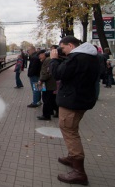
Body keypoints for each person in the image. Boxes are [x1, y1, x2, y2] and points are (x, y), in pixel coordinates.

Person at [49, 36, 99, 185]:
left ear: (70, 45)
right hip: (82, 99)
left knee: (69, 131)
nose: (61, 51)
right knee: (72, 129)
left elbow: (58, 74)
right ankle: (72, 158)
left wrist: (53, 59)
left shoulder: (77, 58)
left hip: (72, 101)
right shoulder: (90, 56)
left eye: (62, 48)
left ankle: (79, 172)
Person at [36, 49, 57, 120]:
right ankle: (54, 112)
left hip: (48, 84)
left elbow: (46, 72)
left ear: (43, 54)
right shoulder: (48, 59)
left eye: (39, 56)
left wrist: (41, 80)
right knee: (51, 99)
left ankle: (46, 115)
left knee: (46, 99)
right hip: (50, 83)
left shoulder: (47, 60)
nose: (39, 57)